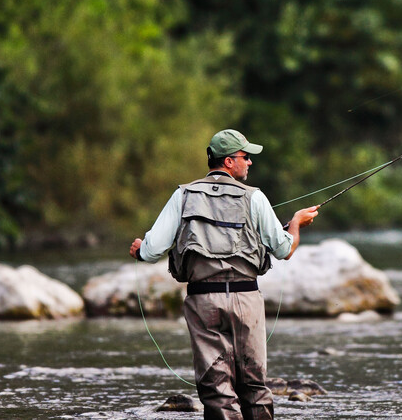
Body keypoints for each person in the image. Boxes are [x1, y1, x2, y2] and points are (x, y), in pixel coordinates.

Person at [129, 129, 319, 420]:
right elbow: (284, 250)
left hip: (203, 301)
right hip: (246, 300)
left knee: (216, 388)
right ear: (229, 162)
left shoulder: (183, 194)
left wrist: (140, 249)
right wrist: (295, 224)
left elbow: (153, 249)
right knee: (254, 385)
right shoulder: (254, 197)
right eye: (246, 157)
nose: (250, 163)